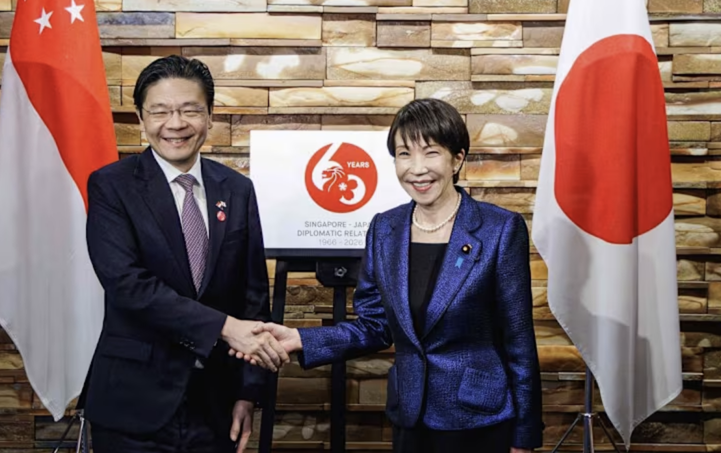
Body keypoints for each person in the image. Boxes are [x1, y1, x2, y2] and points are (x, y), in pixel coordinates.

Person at [241, 98, 544, 452]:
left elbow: (519, 341)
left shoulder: (499, 229)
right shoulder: (385, 229)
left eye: (430, 153)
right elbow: (375, 324)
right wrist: (300, 339)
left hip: (480, 419)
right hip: (410, 415)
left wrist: (525, 436)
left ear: (457, 159)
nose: (417, 168)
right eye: (404, 154)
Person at [82, 55, 289, 453]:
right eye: (159, 111)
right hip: (134, 405)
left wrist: (248, 392)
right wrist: (225, 327)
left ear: (210, 117)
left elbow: (253, 297)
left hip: (216, 406)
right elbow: (129, 286)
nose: (175, 124)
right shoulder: (112, 187)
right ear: (141, 119)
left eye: (190, 110)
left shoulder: (236, 189)